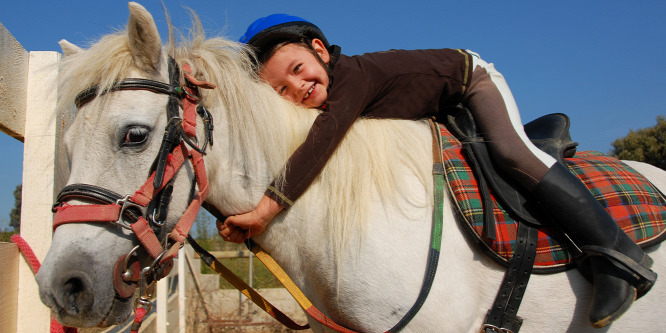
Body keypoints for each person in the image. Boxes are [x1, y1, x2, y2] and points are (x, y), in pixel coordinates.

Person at [217, 14, 656, 327]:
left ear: (319, 50)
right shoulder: (333, 93)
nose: (299, 87)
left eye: (298, 70)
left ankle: (618, 259)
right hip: (437, 107)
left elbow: (319, 146)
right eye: (283, 90)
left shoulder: (352, 78)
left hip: (472, 81)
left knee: (512, 154)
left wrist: (263, 212)